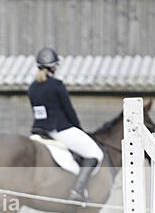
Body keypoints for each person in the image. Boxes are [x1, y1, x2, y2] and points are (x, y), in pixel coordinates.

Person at [28, 47, 104, 203]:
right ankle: (77, 191)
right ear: (53, 66)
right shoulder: (56, 85)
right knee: (95, 153)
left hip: (39, 130)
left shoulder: (32, 87)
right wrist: (79, 129)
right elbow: (69, 111)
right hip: (59, 129)